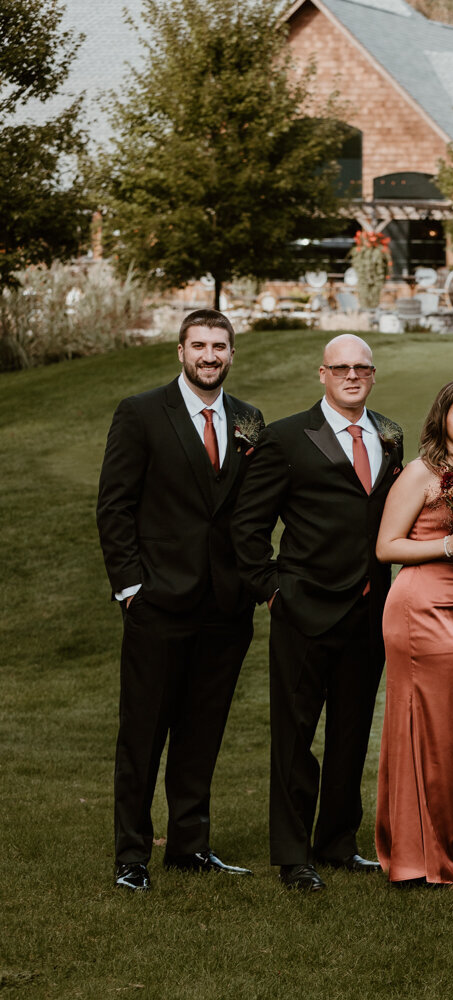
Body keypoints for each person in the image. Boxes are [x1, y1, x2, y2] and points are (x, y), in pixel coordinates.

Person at [96, 309, 261, 891]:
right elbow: (114, 506)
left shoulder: (248, 419)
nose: (209, 356)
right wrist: (132, 588)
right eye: (199, 345)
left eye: (219, 346)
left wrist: (252, 582)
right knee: (142, 734)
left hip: (226, 606)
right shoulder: (141, 413)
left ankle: (189, 845)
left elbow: (248, 513)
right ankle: (131, 857)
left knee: (202, 730)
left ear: (232, 354)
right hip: (158, 603)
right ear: (180, 351)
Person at [234, 334, 404, 892]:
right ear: (322, 374)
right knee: (295, 737)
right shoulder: (284, 437)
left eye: (362, 367)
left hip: (369, 610)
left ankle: (336, 843)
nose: (352, 375)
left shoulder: (388, 433)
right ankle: (292, 853)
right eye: (341, 368)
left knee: (351, 733)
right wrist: (273, 591)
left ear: (372, 374)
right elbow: (248, 526)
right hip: (303, 609)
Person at [373, 380, 453, 888]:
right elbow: (386, 547)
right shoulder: (421, 473)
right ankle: (420, 857)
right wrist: (446, 544)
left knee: (451, 733)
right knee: (427, 730)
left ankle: (447, 845)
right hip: (418, 609)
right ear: (443, 417)